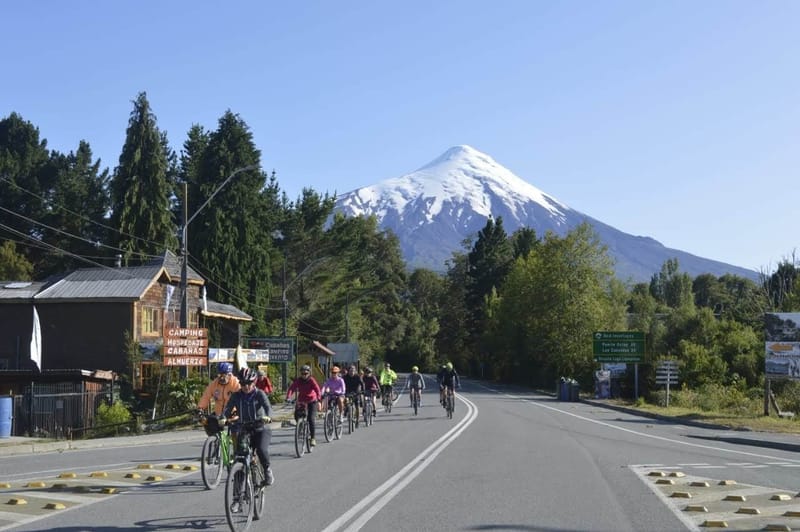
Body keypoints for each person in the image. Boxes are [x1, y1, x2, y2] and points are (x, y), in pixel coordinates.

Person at [222, 367, 274, 487]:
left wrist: (268, 417)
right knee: (239, 457)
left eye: (249, 383)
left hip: (261, 428)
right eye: (243, 383)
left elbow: (268, 408)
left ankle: (267, 470)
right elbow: (227, 410)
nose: (246, 386)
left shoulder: (259, 394)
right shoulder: (236, 396)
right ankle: (236, 497)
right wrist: (223, 418)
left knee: (261, 449)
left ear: (254, 382)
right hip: (244, 429)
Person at [286, 364, 322, 447]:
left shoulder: (312, 380)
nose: (304, 375)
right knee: (296, 414)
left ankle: (313, 438)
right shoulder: (299, 380)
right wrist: (288, 397)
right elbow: (292, 388)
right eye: (302, 373)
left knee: (311, 419)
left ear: (309, 373)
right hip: (302, 400)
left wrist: (319, 400)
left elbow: (317, 390)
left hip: (312, 401)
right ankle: (300, 425)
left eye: (306, 373)